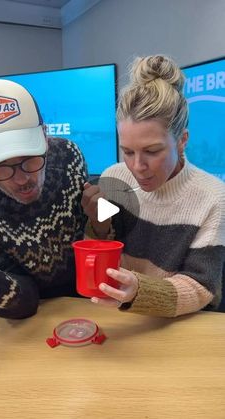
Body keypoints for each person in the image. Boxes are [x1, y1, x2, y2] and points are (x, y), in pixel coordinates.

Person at [81, 54, 225, 317]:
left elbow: (201, 286)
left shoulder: (213, 197)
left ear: (182, 140)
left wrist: (140, 292)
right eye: (127, 151)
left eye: (152, 151)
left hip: (176, 325)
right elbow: (97, 250)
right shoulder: (115, 177)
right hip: (116, 316)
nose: (137, 167)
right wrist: (98, 224)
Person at [0, 78, 87, 319]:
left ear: (44, 137)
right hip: (30, 321)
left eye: (29, 159)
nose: (21, 179)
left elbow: (93, 237)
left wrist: (105, 214)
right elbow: (25, 300)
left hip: (93, 306)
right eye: (0, 167)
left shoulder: (69, 157)